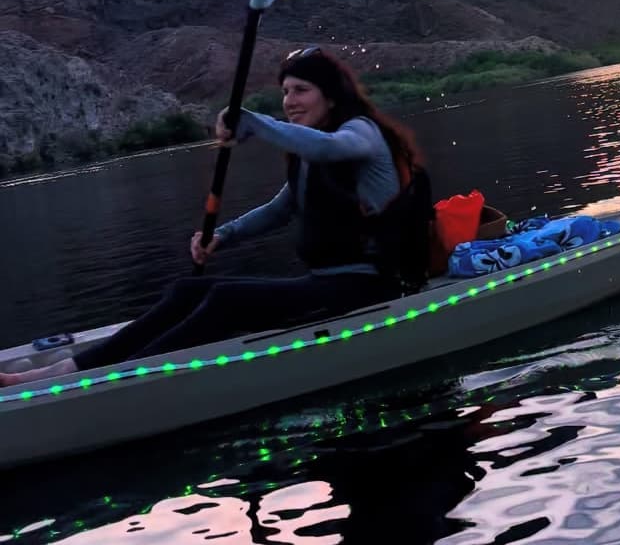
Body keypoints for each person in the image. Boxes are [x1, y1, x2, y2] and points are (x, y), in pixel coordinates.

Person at [1, 46, 432, 387]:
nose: (289, 101)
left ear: (331, 96)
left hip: (369, 286)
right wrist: (221, 236)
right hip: (326, 283)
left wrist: (253, 121)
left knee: (228, 300)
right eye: (285, 92)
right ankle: (56, 374)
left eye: (301, 90)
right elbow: (281, 210)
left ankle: (111, 382)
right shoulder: (309, 153)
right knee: (190, 289)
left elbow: (331, 149)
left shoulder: (360, 133)